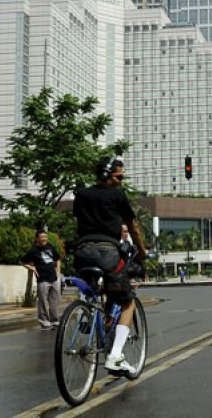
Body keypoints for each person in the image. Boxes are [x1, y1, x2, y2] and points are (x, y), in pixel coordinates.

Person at [72, 157, 147, 375]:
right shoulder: (117, 195)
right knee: (127, 302)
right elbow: (133, 228)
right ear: (108, 175)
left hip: (83, 252)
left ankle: (90, 316)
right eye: (119, 176)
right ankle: (115, 356)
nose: (122, 181)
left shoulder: (82, 194)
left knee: (97, 291)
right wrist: (142, 252)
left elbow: (79, 223)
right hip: (108, 252)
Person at [20, 230, 62, 330]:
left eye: (45, 237)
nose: (44, 239)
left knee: (55, 301)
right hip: (43, 279)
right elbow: (22, 261)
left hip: (54, 278)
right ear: (37, 239)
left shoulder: (50, 246)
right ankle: (45, 323)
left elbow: (58, 259)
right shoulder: (33, 250)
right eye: (42, 237)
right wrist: (32, 268)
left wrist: (58, 271)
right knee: (42, 302)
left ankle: (54, 321)